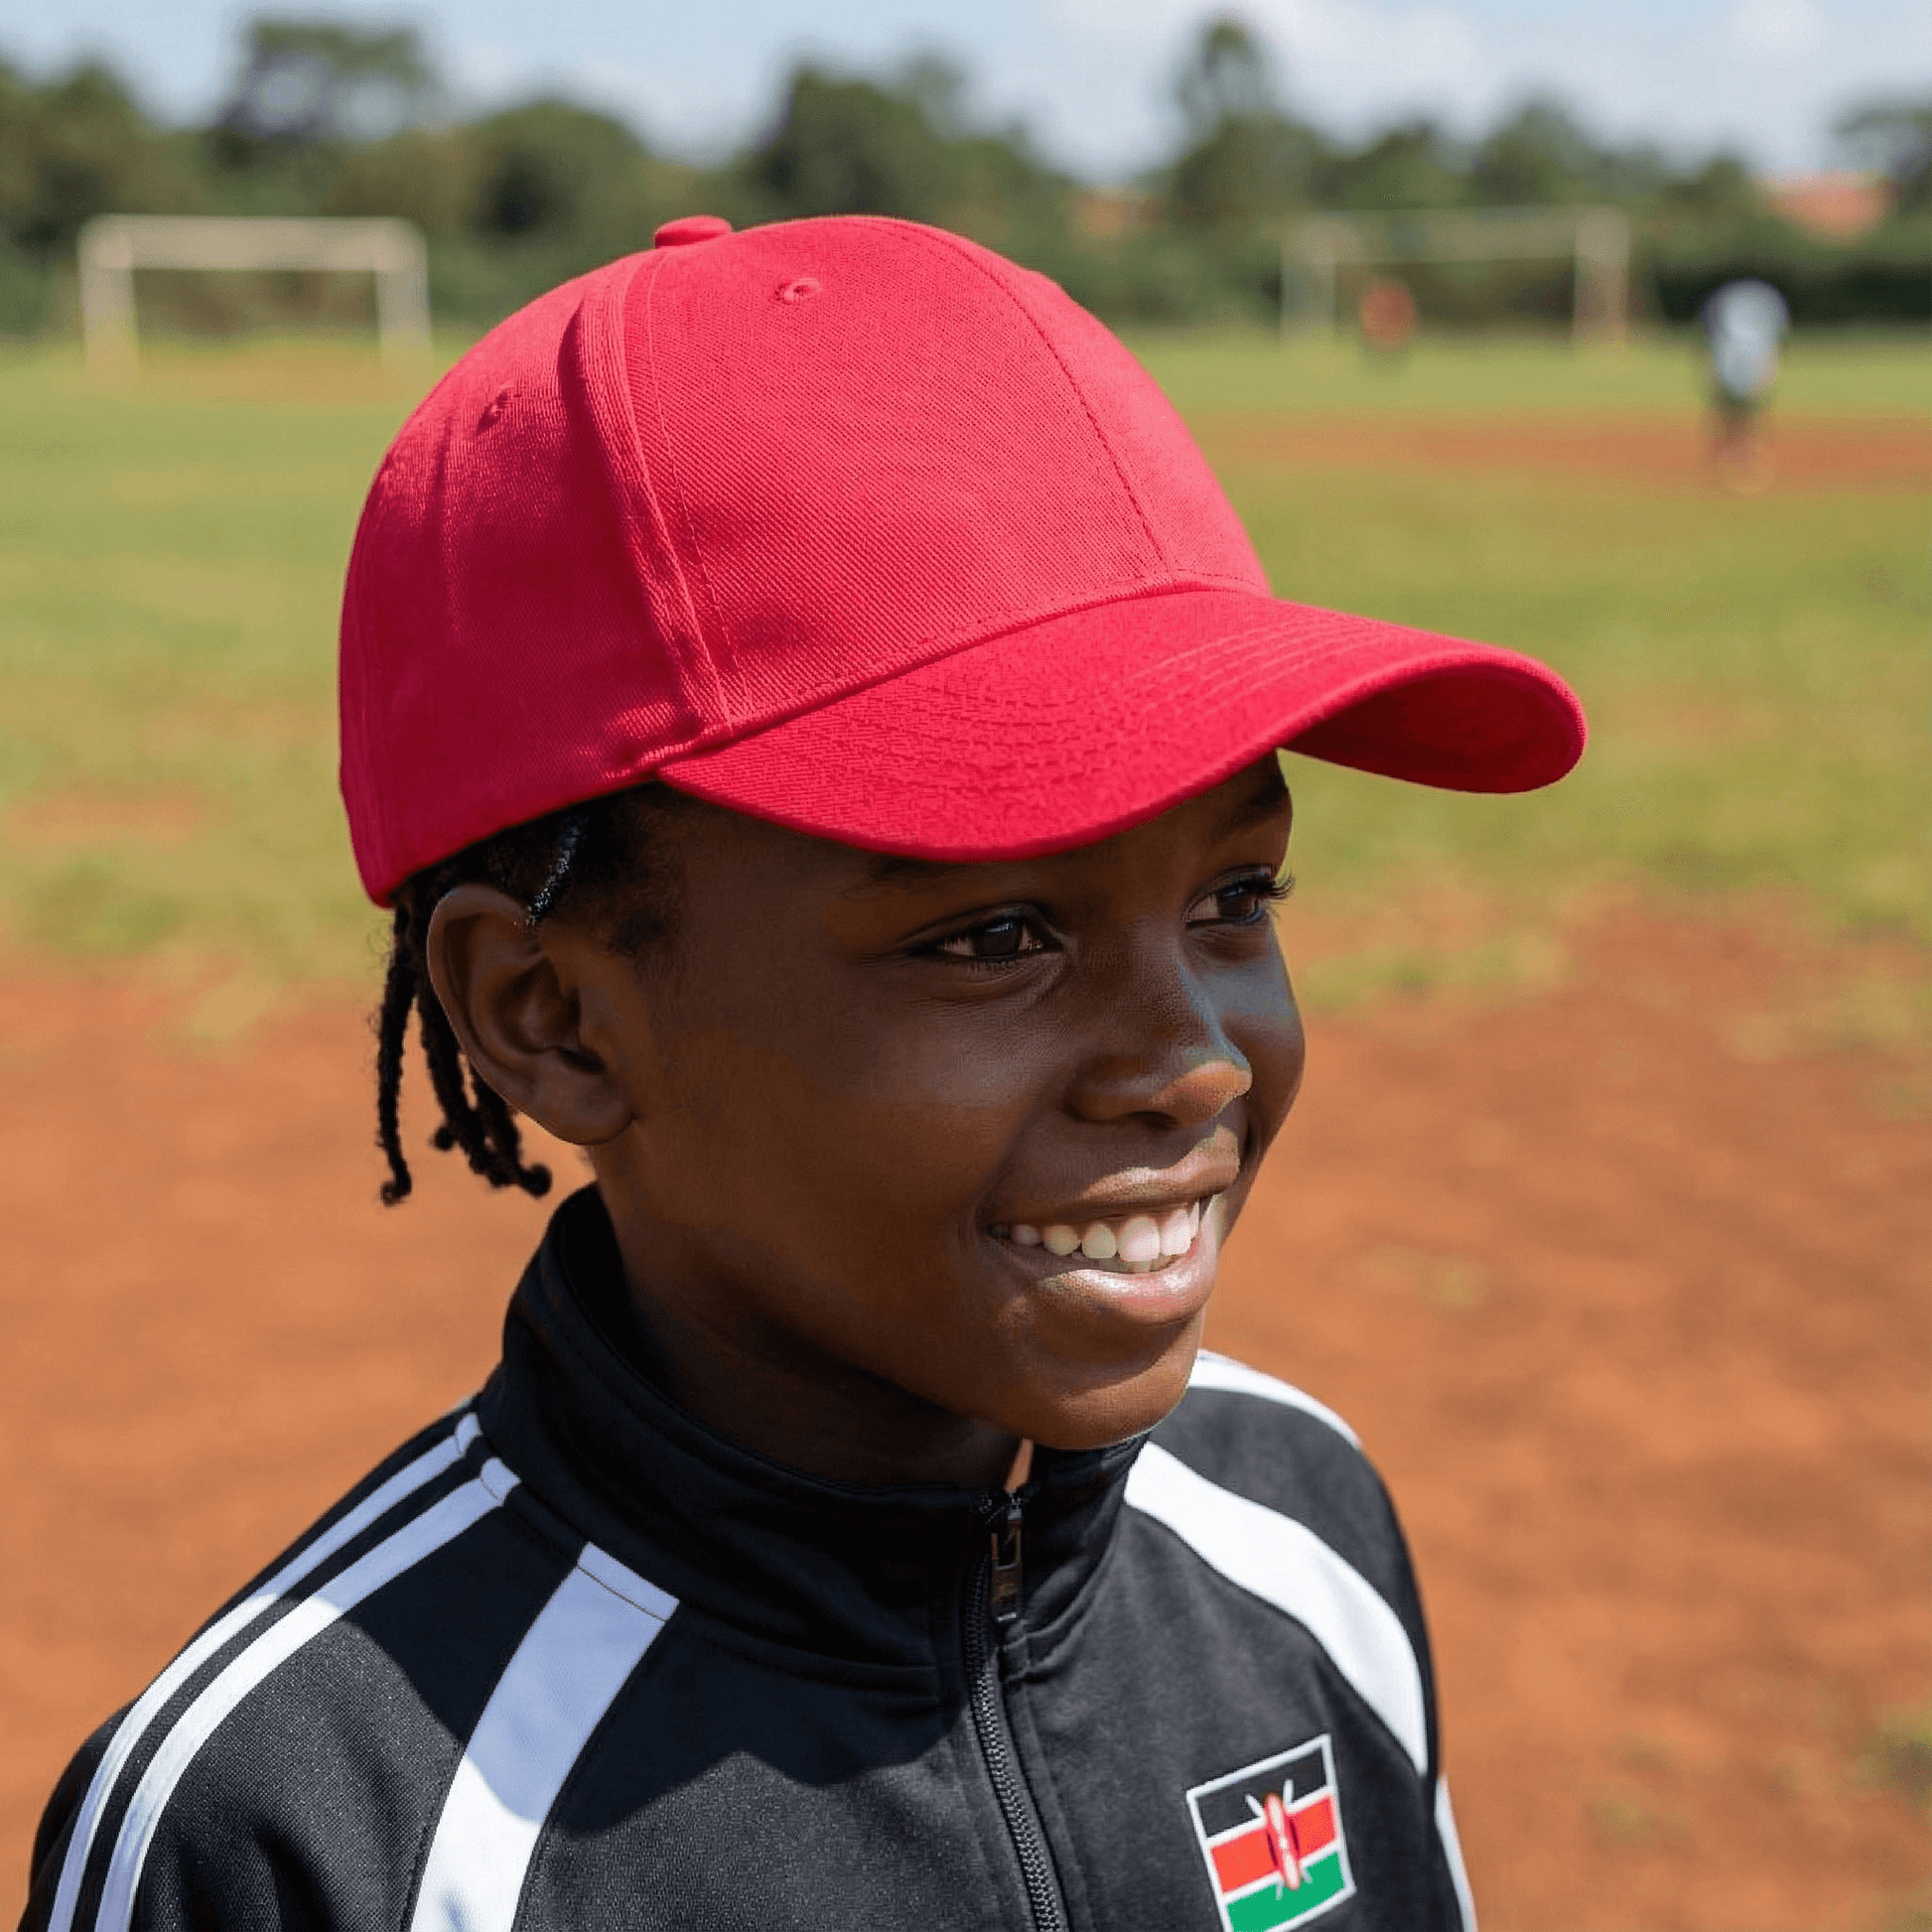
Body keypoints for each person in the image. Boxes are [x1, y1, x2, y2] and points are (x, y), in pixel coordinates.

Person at [22, 212, 1584, 1932]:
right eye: (996, 933)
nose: (1192, 1062)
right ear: (548, 1015)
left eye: (1236, 897)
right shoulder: (308, 1830)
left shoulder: (1299, 1529)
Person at [1699, 277, 1789, 492]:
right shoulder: (1765, 304)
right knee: (1748, 414)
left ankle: (1734, 454)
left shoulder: (1728, 308)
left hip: (1731, 364)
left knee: (1730, 414)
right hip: (1752, 364)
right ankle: (1747, 454)